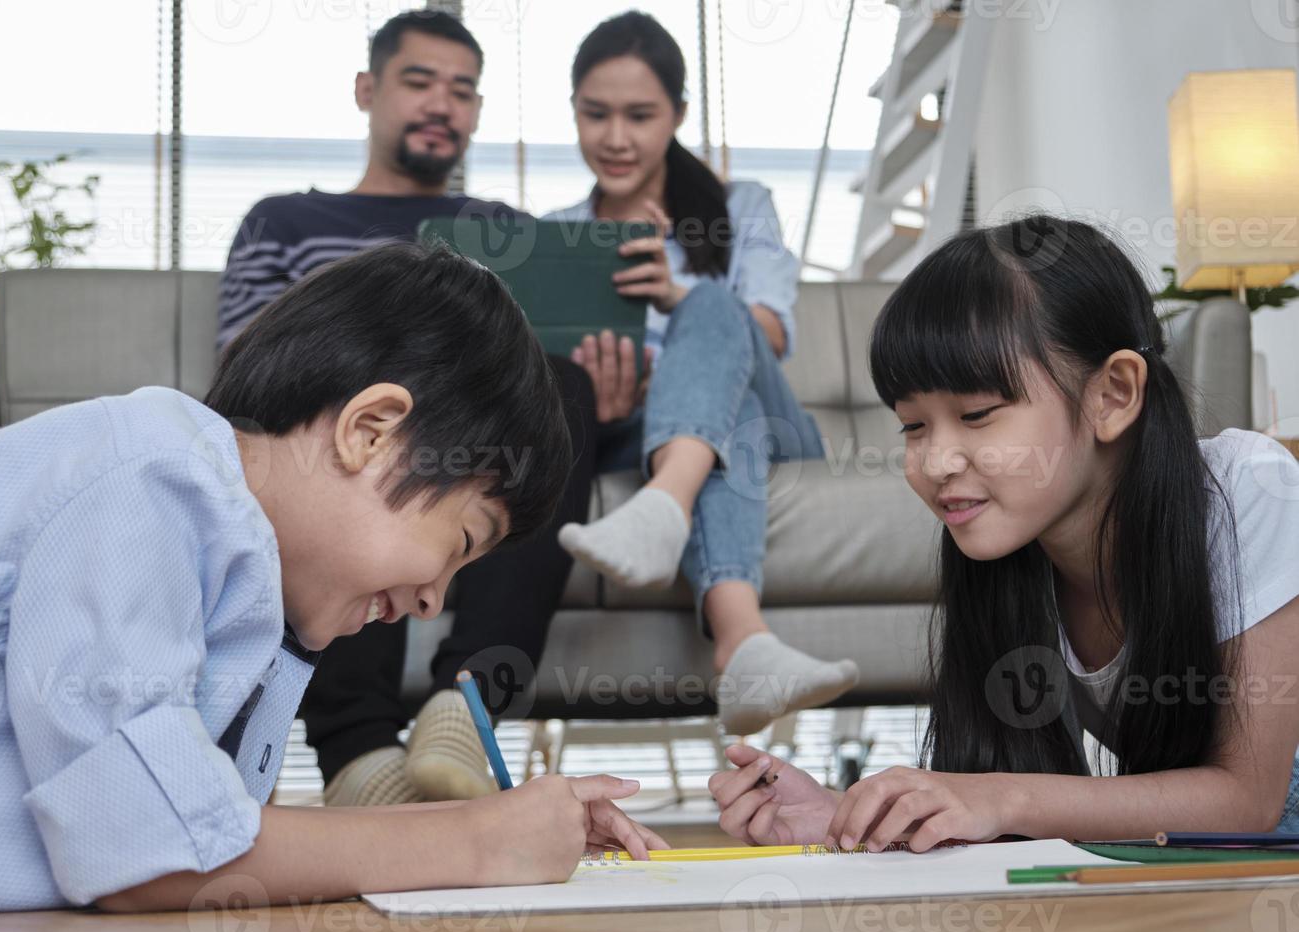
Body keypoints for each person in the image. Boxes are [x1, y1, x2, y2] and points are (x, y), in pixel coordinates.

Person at [0, 242, 667, 914]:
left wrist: (481, 821)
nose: (432, 602)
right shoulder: (149, 475)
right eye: (458, 544)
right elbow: (150, 855)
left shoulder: (247, 605)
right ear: (371, 432)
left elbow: (210, 839)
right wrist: (480, 842)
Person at [710, 216, 1299, 850]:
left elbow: (1247, 799)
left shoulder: (1244, 486)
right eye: (913, 427)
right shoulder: (1010, 554)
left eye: (977, 415)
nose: (936, 463)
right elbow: (1038, 805)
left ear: (1113, 394)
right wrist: (850, 815)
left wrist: (997, 794)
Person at [219, 10, 601, 807]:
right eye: (419, 81)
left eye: (462, 91)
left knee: (561, 387)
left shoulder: (507, 232)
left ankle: (465, 709)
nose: (442, 104)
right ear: (368, 90)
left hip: (483, 443)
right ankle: (358, 751)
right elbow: (254, 375)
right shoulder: (285, 221)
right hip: (352, 424)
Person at [546, 12, 859, 735]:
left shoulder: (739, 207)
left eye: (640, 115)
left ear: (678, 116)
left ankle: (663, 506)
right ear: (574, 113)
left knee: (718, 311)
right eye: (596, 115)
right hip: (638, 431)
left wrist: (676, 297)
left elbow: (769, 335)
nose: (616, 137)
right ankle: (745, 646)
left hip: (775, 421)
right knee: (728, 427)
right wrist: (599, 389)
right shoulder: (559, 230)